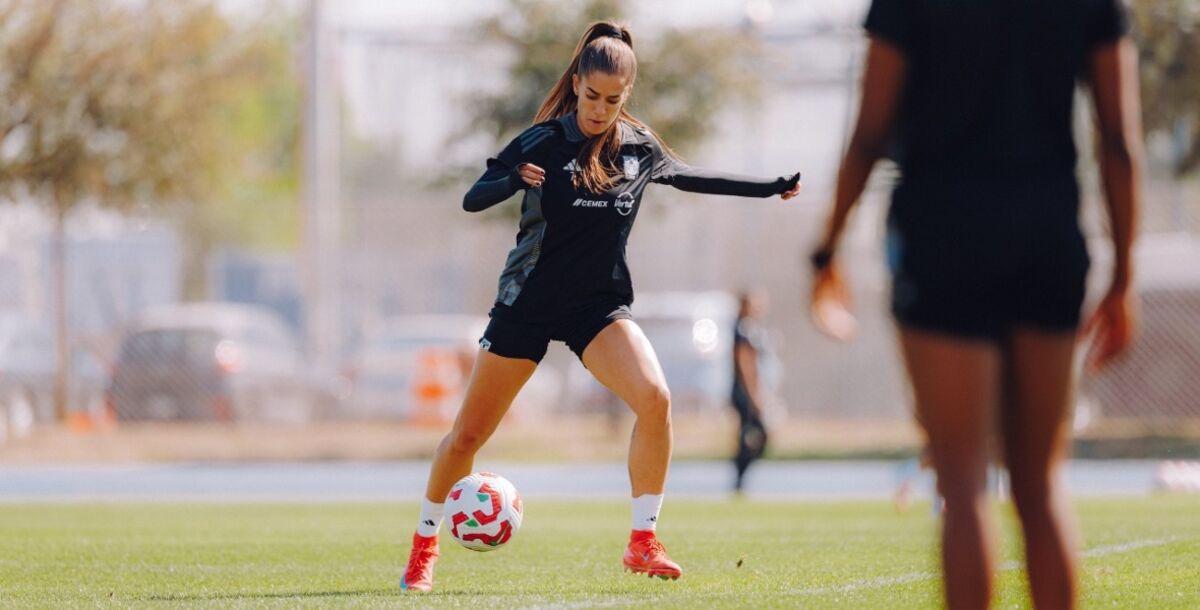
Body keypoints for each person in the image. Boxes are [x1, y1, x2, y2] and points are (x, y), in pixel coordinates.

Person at [400, 20, 801, 592]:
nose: (599, 108)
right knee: (466, 436)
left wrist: (768, 187)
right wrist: (514, 178)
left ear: (626, 95)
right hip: (528, 303)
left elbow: (693, 176)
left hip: (597, 309)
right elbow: (473, 198)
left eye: (613, 100)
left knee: (656, 399)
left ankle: (643, 542)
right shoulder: (542, 140)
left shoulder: (639, 146)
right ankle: (423, 547)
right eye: (591, 96)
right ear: (578, 84)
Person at [808, 2, 1141, 608]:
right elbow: (1118, 140)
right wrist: (1124, 275)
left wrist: (827, 248)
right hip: (1046, 232)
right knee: (1039, 487)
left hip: (943, 235)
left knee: (962, 485)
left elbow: (869, 133)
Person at [731, 289, 772, 494]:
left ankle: (739, 479)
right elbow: (746, 364)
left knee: (750, 436)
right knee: (754, 434)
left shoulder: (749, 328)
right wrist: (754, 396)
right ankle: (738, 478)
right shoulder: (743, 330)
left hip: (748, 392)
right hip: (744, 393)